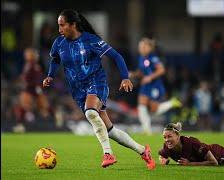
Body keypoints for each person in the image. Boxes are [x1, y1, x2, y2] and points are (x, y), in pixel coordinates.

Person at [42, 9, 155, 169]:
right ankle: (143, 151)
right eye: (58, 25)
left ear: (73, 24)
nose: (59, 29)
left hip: (97, 82)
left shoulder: (90, 40)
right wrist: (50, 75)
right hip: (78, 90)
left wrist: (125, 77)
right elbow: (55, 60)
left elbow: (116, 56)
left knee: (90, 112)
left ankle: (108, 154)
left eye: (62, 25)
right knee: (109, 129)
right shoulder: (59, 43)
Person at [129, 38, 182, 135]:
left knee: (154, 110)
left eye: (144, 47)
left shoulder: (153, 58)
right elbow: (142, 72)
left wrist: (150, 77)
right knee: (141, 105)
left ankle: (171, 103)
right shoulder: (141, 58)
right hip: (146, 85)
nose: (141, 49)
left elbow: (161, 70)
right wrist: (134, 74)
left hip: (155, 86)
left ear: (149, 48)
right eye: (140, 47)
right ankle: (147, 130)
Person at [158, 122, 224, 166]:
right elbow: (161, 155)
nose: (167, 140)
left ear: (177, 135)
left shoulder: (192, 143)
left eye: (169, 136)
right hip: (212, 153)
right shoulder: (166, 147)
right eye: (165, 137)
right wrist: (163, 159)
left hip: (217, 155)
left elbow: (213, 162)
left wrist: (190, 164)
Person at [14, 48, 51, 132]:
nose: (26, 56)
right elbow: (29, 77)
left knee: (27, 106)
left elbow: (29, 77)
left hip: (31, 88)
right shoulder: (31, 65)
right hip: (31, 88)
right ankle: (21, 125)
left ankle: (21, 124)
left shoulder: (32, 65)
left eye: (27, 54)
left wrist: (35, 85)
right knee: (29, 106)